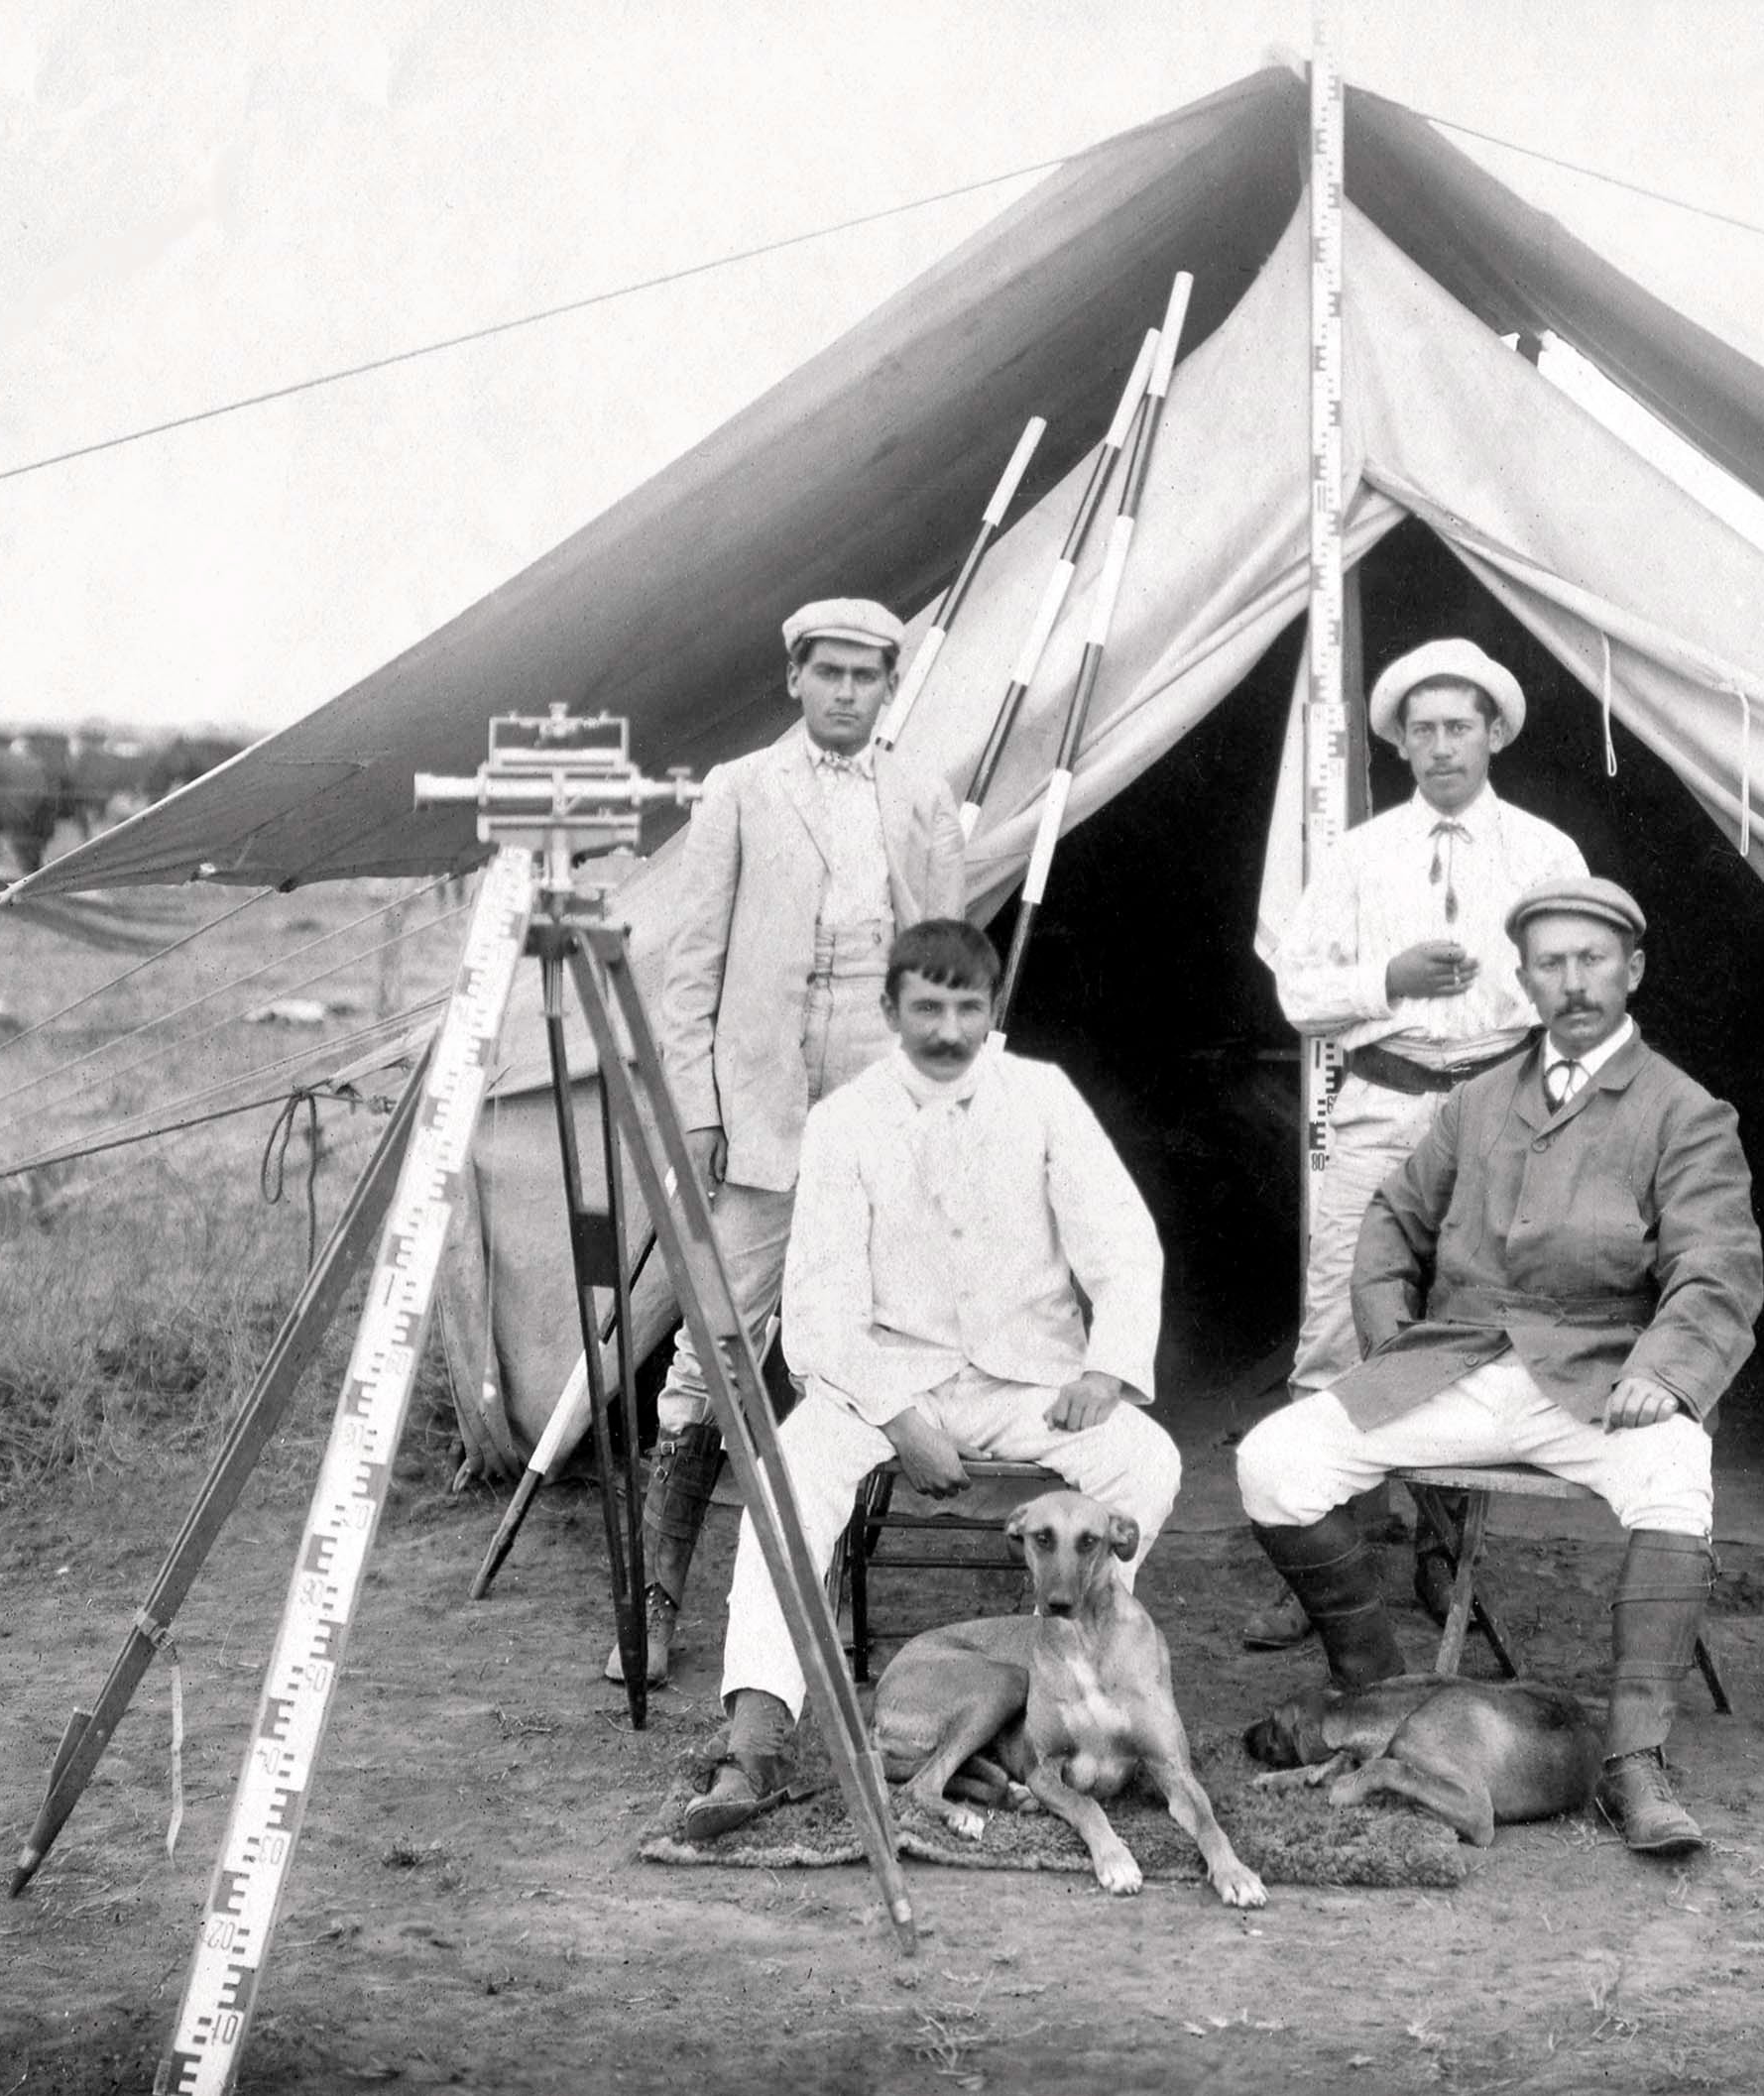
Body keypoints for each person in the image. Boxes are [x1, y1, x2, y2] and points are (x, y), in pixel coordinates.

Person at [1235, 876, 1764, 1856]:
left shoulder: (1684, 1112)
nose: (1572, 982)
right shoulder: (1476, 1101)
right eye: (1551, 963)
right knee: (1274, 1460)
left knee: (1675, 1474)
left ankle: (1633, 1761)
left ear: (1632, 968)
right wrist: (1392, 1330)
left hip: (1600, 1371)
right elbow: (1391, 1216)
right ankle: (1376, 1690)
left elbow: (1716, 1268)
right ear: (1523, 979)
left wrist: (1668, 1369)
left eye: (1592, 959)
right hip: (1461, 1360)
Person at [688, 919, 1182, 1836]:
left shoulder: (1044, 1096)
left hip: (1023, 1379)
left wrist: (1109, 1367)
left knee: (1145, 1462)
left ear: (991, 1007)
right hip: (882, 1379)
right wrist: (899, 1416)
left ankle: (1073, 1692)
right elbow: (820, 1308)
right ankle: (753, 1743)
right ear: (889, 1010)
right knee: (784, 1478)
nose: (947, 1030)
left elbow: (1122, 1243)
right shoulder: (843, 1122)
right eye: (925, 1007)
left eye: (966, 1007)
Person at [608, 597, 966, 1685]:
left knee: (872, 1331)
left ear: (888, 687)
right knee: (715, 1338)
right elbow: (690, 965)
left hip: (875, 1092)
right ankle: (658, 1599)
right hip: (759, 1098)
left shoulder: (921, 795)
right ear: (795, 680)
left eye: (867, 675)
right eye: (830, 673)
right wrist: (703, 1107)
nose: (847, 692)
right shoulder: (739, 789)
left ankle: (827, 1588)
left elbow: (946, 972)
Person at [1254, 639, 1587, 1647]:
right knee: (1339, 1321)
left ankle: (1444, 1546)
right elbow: (1298, 992)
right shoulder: (1356, 855)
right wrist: (1386, 978)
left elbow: (1585, 989)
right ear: (1398, 742)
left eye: (1460, 725)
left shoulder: (1543, 852)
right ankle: (1327, 1562)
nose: (1442, 746)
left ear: (1493, 734)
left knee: (1475, 1312)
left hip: (1496, 1105)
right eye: (1423, 729)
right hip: (1381, 1104)